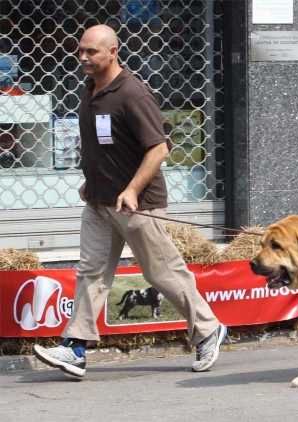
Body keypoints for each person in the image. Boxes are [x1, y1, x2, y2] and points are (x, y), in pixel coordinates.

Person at [32, 24, 227, 377]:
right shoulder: (89, 89)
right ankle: (74, 348)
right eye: (81, 51)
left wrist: (133, 189)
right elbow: (100, 145)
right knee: (90, 272)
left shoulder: (133, 94)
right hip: (99, 201)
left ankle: (209, 329)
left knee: (161, 273)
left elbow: (159, 147)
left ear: (112, 52)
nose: (83, 58)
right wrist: (89, 181)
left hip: (140, 204)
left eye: (91, 52)